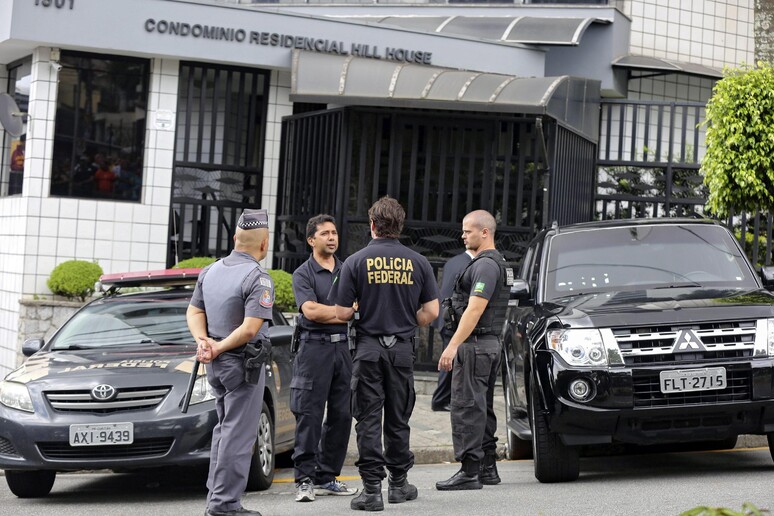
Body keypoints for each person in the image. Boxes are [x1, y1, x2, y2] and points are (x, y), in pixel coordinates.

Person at [333, 195, 439, 512]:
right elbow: (432, 311)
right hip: (402, 350)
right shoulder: (418, 262)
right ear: (399, 225)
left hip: (368, 350)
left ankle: (371, 491)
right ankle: (398, 484)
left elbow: (340, 312)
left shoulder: (355, 262)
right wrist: (407, 320)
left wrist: (358, 309)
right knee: (398, 417)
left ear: (372, 225)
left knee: (368, 419)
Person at [186, 208, 273, 516]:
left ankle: (217, 499)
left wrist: (204, 342)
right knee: (238, 434)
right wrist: (219, 347)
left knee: (225, 430)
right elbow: (250, 329)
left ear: (235, 238)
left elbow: (194, 312)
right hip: (241, 364)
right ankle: (224, 504)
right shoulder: (258, 277)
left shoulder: (210, 271)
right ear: (264, 244)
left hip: (216, 365)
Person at [435, 210, 513, 491]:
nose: (463, 236)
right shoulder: (495, 263)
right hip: (486, 345)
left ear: (485, 232)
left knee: (467, 407)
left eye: (468, 231)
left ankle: (469, 471)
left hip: (476, 345)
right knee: (481, 407)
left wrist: (452, 345)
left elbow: (475, 309)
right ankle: (487, 468)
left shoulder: (486, 266)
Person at [291, 214, 358, 502]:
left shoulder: (348, 269)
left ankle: (327, 476)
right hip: (313, 350)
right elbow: (311, 311)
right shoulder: (303, 273)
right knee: (310, 414)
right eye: (325, 233)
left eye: (334, 233)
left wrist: (335, 313)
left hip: (344, 349)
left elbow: (359, 307)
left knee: (342, 415)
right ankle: (304, 479)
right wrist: (346, 312)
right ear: (311, 240)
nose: (332, 237)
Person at [430, 249, 473, 412]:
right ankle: (440, 400)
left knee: (450, 359)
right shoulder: (468, 265)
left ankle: (443, 398)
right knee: (449, 361)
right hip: (452, 320)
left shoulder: (454, 261)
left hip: (446, 317)